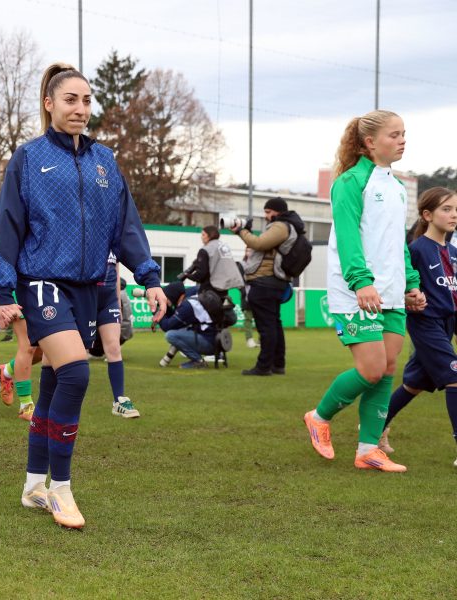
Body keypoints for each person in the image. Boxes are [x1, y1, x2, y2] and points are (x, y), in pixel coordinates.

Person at [0, 63, 166, 529]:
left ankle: (32, 485)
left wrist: (149, 275)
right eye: (71, 99)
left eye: (87, 101)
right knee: (75, 374)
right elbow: (8, 225)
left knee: (52, 388)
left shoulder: (105, 160)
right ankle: (62, 491)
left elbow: (125, 226)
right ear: (49, 104)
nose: (81, 109)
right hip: (42, 282)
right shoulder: (28, 158)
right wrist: (2, 288)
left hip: (91, 286)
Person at [303, 109, 425, 473]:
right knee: (371, 369)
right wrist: (361, 281)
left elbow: (397, 244)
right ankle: (319, 417)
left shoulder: (398, 186)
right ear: (370, 142)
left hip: (390, 291)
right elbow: (348, 235)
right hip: (356, 290)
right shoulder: (350, 182)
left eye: (404, 134)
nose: (402, 140)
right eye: (394, 134)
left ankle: (368, 449)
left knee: (387, 368)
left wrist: (412, 283)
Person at [379, 187, 457, 464]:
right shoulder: (416, 250)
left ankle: (374, 428)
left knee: (414, 383)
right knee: (454, 377)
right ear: (427, 214)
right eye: (446, 209)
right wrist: (407, 298)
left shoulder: (454, 251)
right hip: (425, 324)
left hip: (447, 323)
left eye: (455, 209)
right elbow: (395, 285)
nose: (453, 215)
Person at [0, 208, 42, 421]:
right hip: (14, 285)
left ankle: (6, 372)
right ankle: (26, 405)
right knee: (29, 345)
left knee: (44, 349)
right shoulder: (10, 202)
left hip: (43, 285)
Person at [229, 198, 303, 375]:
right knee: (274, 324)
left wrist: (241, 231)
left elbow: (259, 244)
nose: (266, 216)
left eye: (269, 212)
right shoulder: (289, 226)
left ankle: (263, 366)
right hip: (274, 282)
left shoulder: (280, 226)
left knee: (266, 326)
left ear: (279, 212)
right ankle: (278, 364)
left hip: (265, 282)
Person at [97, 251, 139, 416]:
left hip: (108, 301)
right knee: (70, 352)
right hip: (85, 298)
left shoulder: (114, 239)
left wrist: (118, 304)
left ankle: (119, 400)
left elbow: (116, 273)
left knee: (114, 348)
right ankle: (48, 398)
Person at [158, 281, 216, 369]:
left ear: (173, 296)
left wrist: (158, 310)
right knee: (180, 332)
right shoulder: (193, 298)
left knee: (171, 335)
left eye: (166, 298)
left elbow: (167, 326)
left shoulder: (186, 306)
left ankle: (198, 361)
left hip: (209, 342)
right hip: (216, 339)